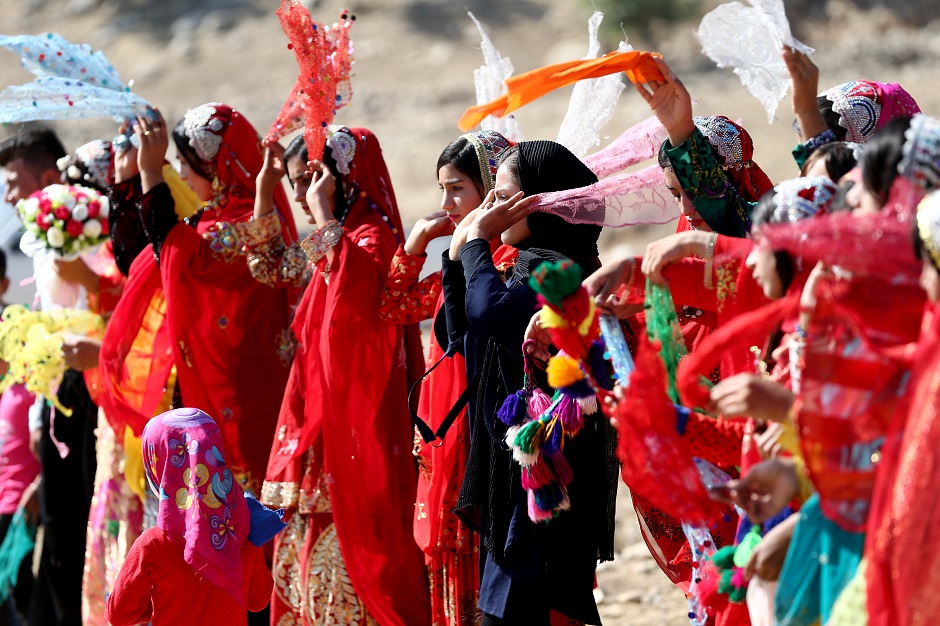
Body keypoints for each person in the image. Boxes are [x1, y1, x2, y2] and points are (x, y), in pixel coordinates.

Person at [257, 127, 431, 626]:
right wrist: (264, 190)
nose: (297, 195)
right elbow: (276, 270)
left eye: (304, 180)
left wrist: (329, 220)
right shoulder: (342, 236)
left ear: (337, 178)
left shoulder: (369, 239)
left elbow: (351, 334)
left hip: (352, 434)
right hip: (321, 427)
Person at [444, 140, 617, 625]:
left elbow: (492, 312)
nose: (491, 209)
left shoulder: (558, 266)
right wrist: (459, 260)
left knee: (530, 594)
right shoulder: (525, 260)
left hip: (548, 456)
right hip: (516, 458)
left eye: (502, 196)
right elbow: (459, 334)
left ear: (543, 200)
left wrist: (478, 241)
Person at [103, 103, 298, 497]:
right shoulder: (218, 218)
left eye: (183, 163)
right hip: (231, 392)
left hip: (243, 398)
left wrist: (152, 174)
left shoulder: (241, 224)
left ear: (211, 166)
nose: (183, 176)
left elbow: (175, 250)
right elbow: (149, 253)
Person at [377, 131, 515, 626]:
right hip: (446, 440)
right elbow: (395, 306)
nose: (446, 203)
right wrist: (416, 245)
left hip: (481, 438)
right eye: (443, 190)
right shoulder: (459, 265)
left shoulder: (505, 266)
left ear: (492, 191)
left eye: (457, 189)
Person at [105, 408, 276, 626]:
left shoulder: (154, 545)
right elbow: (258, 600)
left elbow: (118, 615)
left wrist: (157, 599)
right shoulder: (243, 531)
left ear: (159, 468)